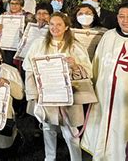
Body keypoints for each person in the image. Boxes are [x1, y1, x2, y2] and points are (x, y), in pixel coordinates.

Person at [23, 12, 92, 161]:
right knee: (48, 127)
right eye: (52, 24)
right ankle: (50, 157)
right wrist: (34, 95)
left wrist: (74, 65)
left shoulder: (75, 46)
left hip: (69, 95)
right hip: (46, 93)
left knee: (71, 131)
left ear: (66, 26)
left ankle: (76, 159)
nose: (55, 28)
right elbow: (29, 69)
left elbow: (88, 70)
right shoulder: (39, 44)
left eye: (59, 24)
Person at [81, 1, 128, 160]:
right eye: (121, 16)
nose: (125, 20)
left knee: (123, 138)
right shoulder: (109, 36)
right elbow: (96, 65)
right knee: (101, 131)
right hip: (103, 98)